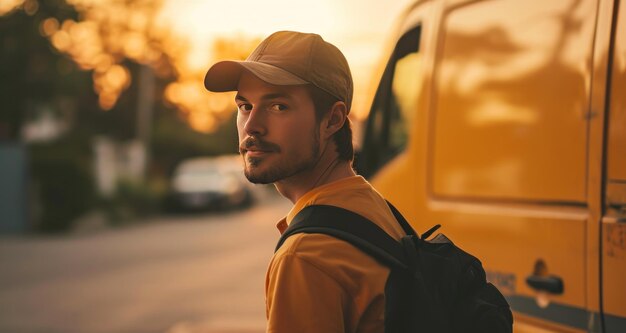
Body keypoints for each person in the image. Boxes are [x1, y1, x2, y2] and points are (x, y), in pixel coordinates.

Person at [204, 31, 406, 333]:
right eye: (245, 106)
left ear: (333, 120)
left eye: (278, 106)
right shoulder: (371, 205)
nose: (252, 126)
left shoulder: (305, 256)